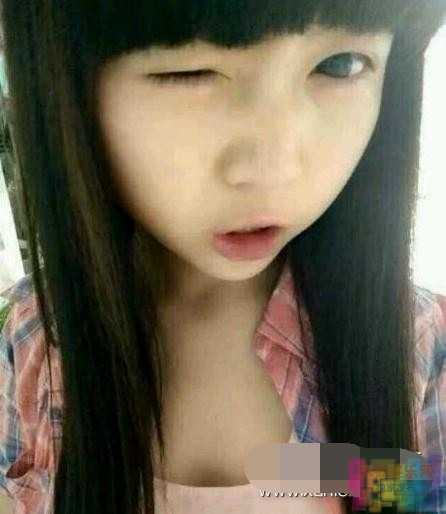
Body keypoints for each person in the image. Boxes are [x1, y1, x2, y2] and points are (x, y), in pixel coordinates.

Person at [0, 1, 445, 513]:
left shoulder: (417, 344)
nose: (275, 169)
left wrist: (312, 473)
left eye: (339, 64)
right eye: (189, 72)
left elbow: (413, 493)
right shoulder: (31, 344)